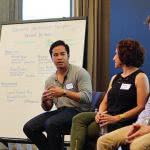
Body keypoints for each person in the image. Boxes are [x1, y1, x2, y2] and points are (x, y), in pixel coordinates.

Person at [70, 39, 149, 150]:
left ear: (124, 55)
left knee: (86, 131)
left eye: (116, 54)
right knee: (78, 118)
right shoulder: (115, 78)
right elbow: (105, 101)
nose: (113, 58)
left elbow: (141, 106)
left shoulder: (140, 77)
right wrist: (100, 114)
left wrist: (117, 118)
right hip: (108, 115)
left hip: (123, 119)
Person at [23, 40, 92, 150]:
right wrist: (45, 101)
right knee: (29, 127)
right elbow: (47, 108)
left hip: (79, 111)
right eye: (55, 55)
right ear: (52, 58)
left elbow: (87, 98)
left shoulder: (80, 72)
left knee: (51, 124)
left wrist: (64, 92)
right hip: (61, 111)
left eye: (62, 54)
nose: (59, 57)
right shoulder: (50, 80)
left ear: (68, 55)